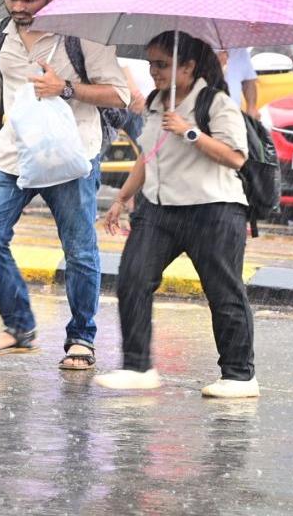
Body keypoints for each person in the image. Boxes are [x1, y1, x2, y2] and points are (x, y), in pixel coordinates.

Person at [0, 0, 130, 370]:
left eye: (28, 0)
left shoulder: (83, 33)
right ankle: (19, 326)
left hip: (72, 156)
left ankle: (81, 338)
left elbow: (119, 95)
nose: (18, 8)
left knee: (78, 250)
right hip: (11, 155)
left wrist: (66, 88)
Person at [96, 31, 257, 398]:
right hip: (160, 210)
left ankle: (239, 376)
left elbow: (236, 157)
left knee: (224, 292)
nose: (153, 71)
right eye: (151, 63)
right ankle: (137, 366)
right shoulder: (156, 103)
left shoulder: (216, 103)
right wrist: (122, 198)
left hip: (213, 209)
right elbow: (148, 154)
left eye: (162, 64)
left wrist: (190, 132)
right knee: (133, 278)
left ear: (188, 67)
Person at [217, 48, 260, 118]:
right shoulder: (201, 46)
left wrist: (251, 107)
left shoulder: (239, 49)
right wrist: (215, 64)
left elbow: (248, 80)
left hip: (234, 114)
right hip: (209, 114)